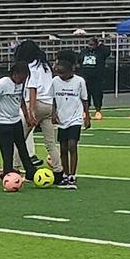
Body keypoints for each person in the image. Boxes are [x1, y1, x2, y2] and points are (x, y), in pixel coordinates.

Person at [0, 61, 39, 179]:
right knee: (8, 149)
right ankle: (7, 172)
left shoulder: (20, 84)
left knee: (22, 147)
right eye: (22, 77)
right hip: (2, 122)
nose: (23, 81)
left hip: (15, 120)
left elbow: (21, 100)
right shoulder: (2, 84)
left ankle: (30, 171)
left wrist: (27, 117)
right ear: (15, 74)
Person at [49, 51, 92, 189]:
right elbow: (53, 99)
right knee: (63, 148)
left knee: (72, 145)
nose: (60, 76)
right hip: (62, 118)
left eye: (63, 73)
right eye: (58, 73)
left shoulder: (79, 81)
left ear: (70, 71)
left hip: (75, 117)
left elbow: (84, 99)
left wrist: (87, 115)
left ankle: (73, 174)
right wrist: (53, 113)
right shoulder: (55, 82)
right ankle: (65, 174)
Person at [19, 40, 60, 174]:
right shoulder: (46, 66)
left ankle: (13, 168)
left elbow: (32, 89)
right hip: (49, 104)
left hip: (37, 103)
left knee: (19, 139)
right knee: (50, 143)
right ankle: (58, 169)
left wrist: (31, 112)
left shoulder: (30, 67)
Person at [80, 33, 111, 116]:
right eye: (89, 45)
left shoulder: (101, 52)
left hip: (97, 77)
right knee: (86, 95)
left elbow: (107, 52)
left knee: (97, 94)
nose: (90, 46)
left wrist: (101, 45)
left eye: (92, 45)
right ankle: (86, 111)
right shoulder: (84, 52)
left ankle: (98, 109)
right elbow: (80, 61)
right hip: (86, 77)